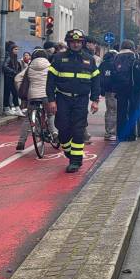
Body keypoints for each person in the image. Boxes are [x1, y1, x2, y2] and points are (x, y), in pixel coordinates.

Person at [46, 29, 100, 173]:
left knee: (78, 129)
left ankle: (75, 161)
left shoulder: (90, 59)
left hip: (81, 100)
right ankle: (69, 150)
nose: (75, 44)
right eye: (73, 42)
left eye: (78, 42)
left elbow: (96, 81)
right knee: (62, 128)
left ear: (82, 43)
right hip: (63, 98)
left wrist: (95, 100)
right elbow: (50, 82)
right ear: (68, 43)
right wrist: (51, 100)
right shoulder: (58, 58)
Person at [14, 49, 56, 151]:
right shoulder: (50, 67)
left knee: (28, 118)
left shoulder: (29, 68)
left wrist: (22, 89)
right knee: (50, 114)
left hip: (32, 96)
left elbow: (17, 78)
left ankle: (21, 142)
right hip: (46, 96)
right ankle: (55, 133)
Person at [112, 40, 140, 141]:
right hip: (133, 88)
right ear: (132, 47)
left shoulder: (116, 57)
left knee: (121, 112)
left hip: (120, 89)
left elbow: (112, 73)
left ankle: (120, 135)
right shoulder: (135, 57)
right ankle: (131, 135)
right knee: (132, 112)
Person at [99, 50, 118, 141]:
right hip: (114, 90)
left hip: (107, 91)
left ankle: (108, 130)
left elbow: (99, 77)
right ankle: (111, 132)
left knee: (109, 110)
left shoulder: (103, 64)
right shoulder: (114, 64)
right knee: (113, 111)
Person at [3, 42, 25, 116]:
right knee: (10, 93)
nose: (17, 51)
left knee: (13, 93)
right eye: (15, 49)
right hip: (9, 78)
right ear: (11, 49)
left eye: (17, 49)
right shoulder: (9, 57)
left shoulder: (14, 57)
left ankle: (15, 108)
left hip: (12, 77)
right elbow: (4, 67)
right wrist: (14, 72)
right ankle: (9, 108)